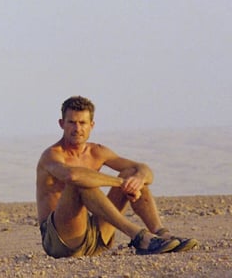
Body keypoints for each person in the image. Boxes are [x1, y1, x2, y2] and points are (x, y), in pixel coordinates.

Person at [36, 96, 198, 258]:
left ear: (91, 126)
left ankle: (162, 234)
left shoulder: (97, 152)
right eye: (71, 122)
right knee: (80, 182)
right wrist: (121, 183)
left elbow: (144, 169)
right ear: (61, 124)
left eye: (82, 123)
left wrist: (137, 180)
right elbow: (72, 175)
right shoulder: (52, 155)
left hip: (96, 237)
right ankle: (140, 237)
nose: (77, 128)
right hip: (61, 240)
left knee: (132, 174)